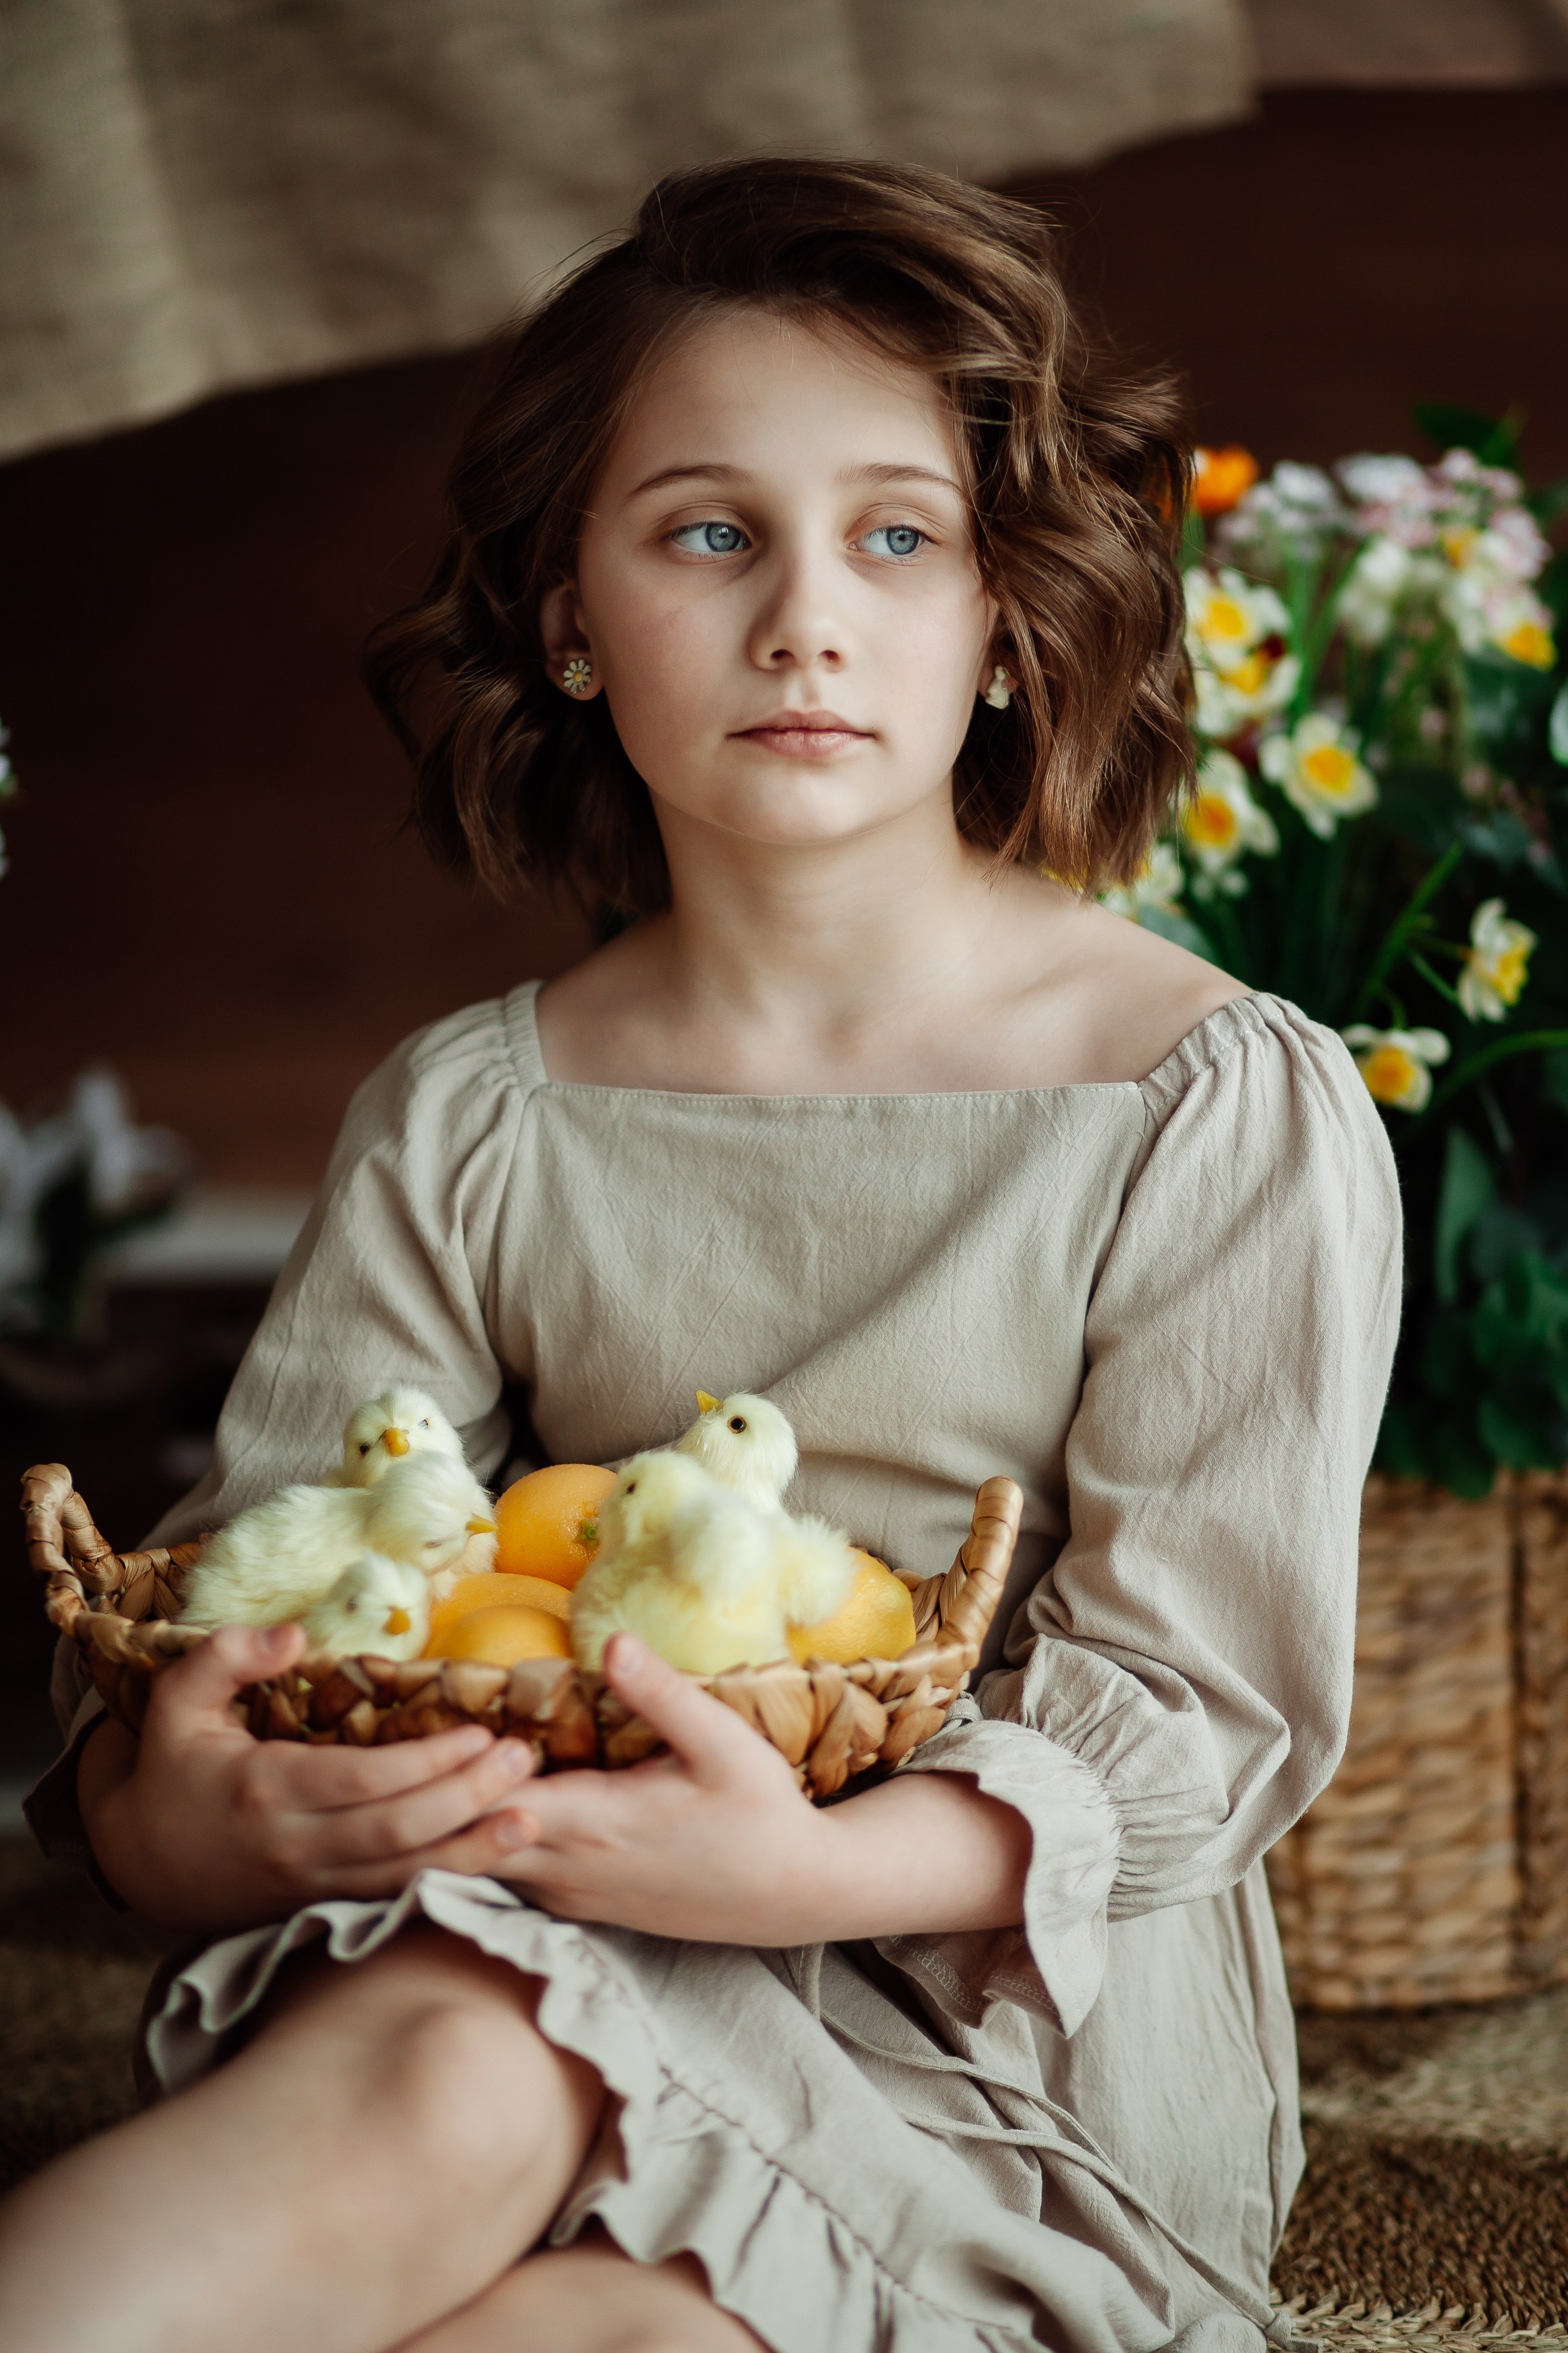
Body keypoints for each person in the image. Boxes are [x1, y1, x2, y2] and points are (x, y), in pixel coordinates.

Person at [1, 158, 1401, 2353]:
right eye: (709, 530)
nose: (804, 620)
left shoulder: (1208, 1103)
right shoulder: (476, 1113)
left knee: (610, 2335)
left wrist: (810, 1872)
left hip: (984, 2024)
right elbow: (256, 1582)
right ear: (570, 614)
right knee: (453, 2064)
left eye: (899, 536)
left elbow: (1189, 1721)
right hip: (523, 1921)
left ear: (1009, 618)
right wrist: (197, 1816)